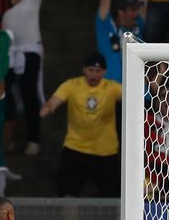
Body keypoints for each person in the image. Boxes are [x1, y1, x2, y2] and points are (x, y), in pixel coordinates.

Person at [40, 52, 122, 198]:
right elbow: (55, 100)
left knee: (112, 197)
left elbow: (134, 97)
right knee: (67, 194)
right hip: (76, 147)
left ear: (104, 72)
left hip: (106, 150)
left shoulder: (112, 87)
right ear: (84, 69)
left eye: (97, 71)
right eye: (90, 70)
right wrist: (48, 107)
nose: (94, 75)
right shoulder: (71, 85)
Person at [3, 0, 51, 156]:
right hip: (6, 49)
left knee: (29, 92)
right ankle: (7, 138)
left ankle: (33, 139)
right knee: (4, 94)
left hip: (30, 48)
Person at [96, 0, 148, 84]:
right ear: (120, 13)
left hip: (139, 91)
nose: (137, 13)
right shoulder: (105, 27)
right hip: (113, 91)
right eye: (132, 10)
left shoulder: (137, 27)